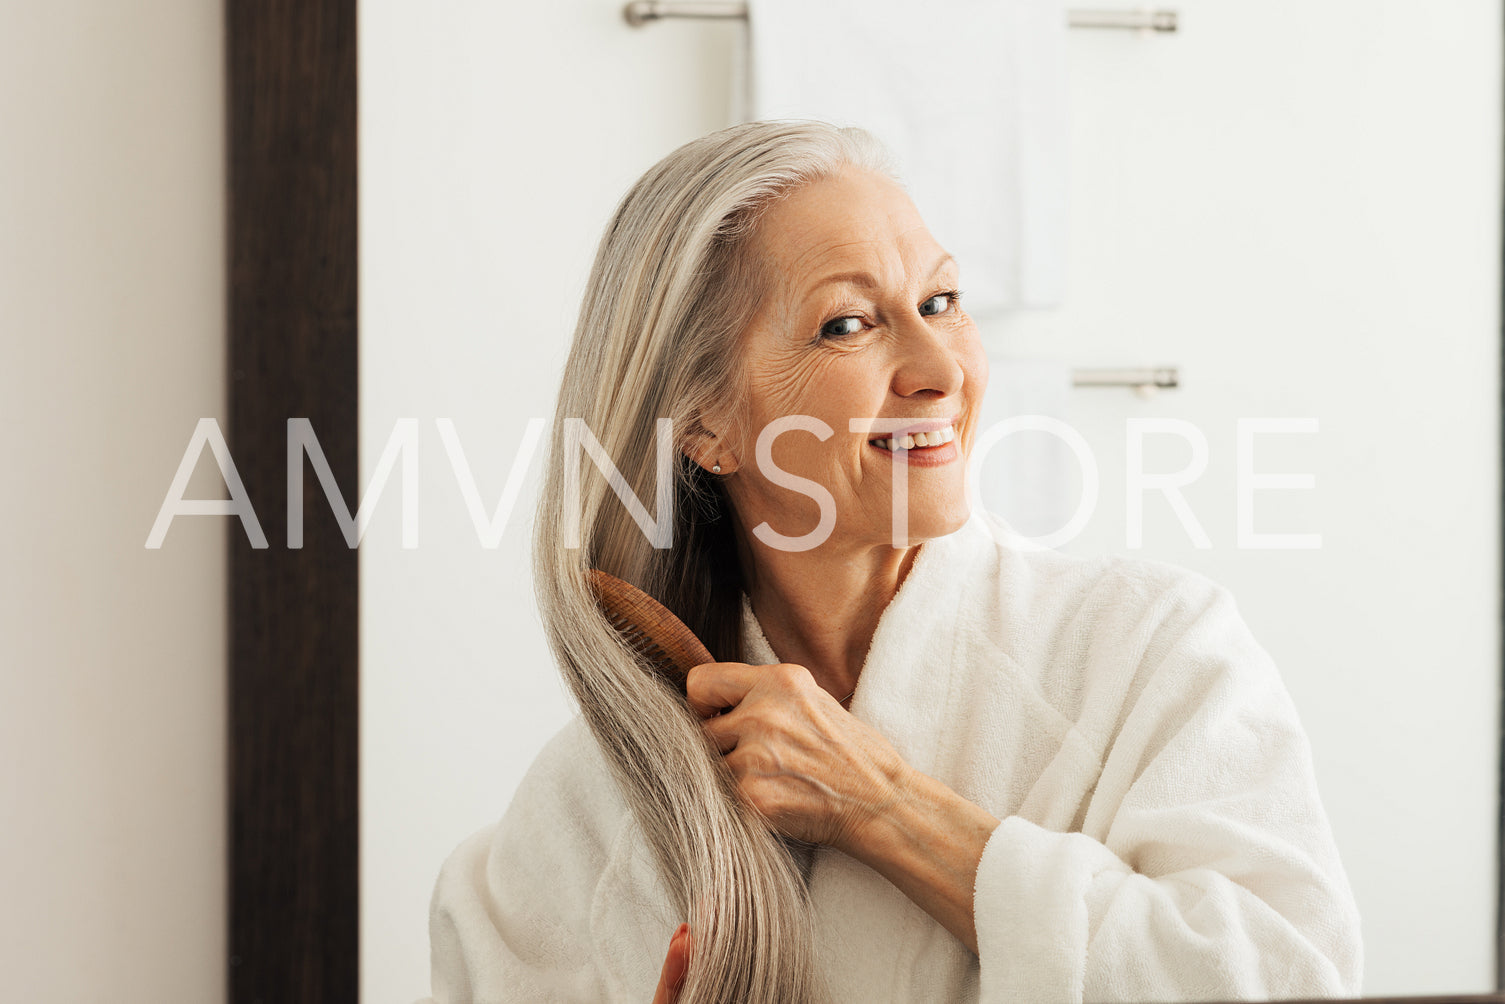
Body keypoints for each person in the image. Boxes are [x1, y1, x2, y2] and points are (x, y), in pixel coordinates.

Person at [423, 120, 1363, 1004]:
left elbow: (1288, 974)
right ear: (705, 423)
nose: (941, 370)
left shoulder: (1148, 651)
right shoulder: (598, 801)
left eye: (940, 302)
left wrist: (884, 807)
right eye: (847, 325)